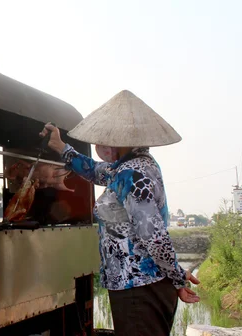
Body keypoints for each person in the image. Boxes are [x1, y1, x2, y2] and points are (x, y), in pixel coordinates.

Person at [39, 90, 200, 336]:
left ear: (121, 139)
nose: (98, 145)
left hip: (139, 288)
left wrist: (177, 276)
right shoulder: (129, 167)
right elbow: (95, 170)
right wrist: (62, 148)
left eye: (105, 138)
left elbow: (154, 237)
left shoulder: (133, 174)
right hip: (138, 287)